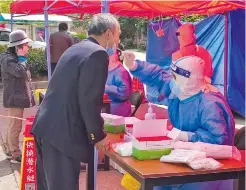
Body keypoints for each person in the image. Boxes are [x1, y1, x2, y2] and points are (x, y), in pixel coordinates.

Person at [31, 13, 121, 190]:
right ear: (108, 34)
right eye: (118, 34)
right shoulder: (97, 54)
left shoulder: (76, 48)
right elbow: (89, 100)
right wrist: (98, 135)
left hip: (46, 126)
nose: (118, 40)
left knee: (48, 185)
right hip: (61, 133)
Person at [123, 52, 235, 190]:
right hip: (182, 155)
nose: (172, 81)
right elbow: (159, 77)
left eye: (175, 77)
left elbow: (219, 139)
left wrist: (187, 136)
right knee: (154, 181)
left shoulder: (209, 104)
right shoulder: (179, 91)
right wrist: (134, 66)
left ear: (189, 79)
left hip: (210, 167)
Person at [0, 30, 35, 163]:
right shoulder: (8, 59)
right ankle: (15, 153)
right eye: (26, 45)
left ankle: (10, 151)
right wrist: (22, 58)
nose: (28, 47)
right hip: (14, 97)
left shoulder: (13, 57)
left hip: (17, 96)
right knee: (15, 126)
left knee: (13, 125)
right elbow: (19, 72)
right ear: (18, 46)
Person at [105, 43, 132, 116]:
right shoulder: (104, 69)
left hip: (119, 112)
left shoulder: (120, 72)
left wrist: (107, 88)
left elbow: (125, 93)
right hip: (106, 109)